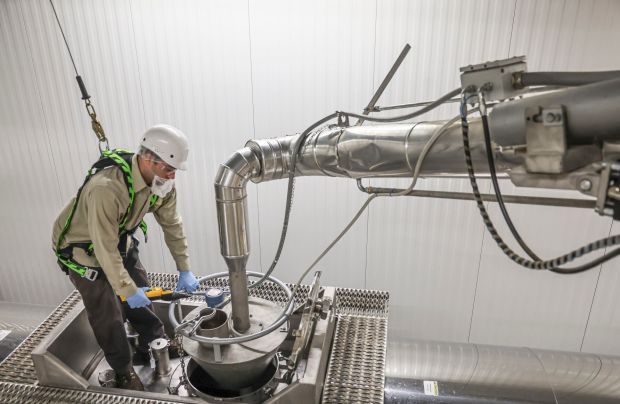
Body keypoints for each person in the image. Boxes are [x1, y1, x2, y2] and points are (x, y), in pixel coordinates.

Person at [52, 124, 200, 391]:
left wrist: (184, 268)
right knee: (107, 312)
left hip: (118, 239)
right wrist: (125, 289)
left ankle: (155, 343)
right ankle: (122, 370)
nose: (172, 176)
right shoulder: (106, 188)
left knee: (141, 291)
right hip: (84, 250)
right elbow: (103, 248)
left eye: (175, 170)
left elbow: (173, 225)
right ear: (147, 159)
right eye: (169, 168)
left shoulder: (161, 184)